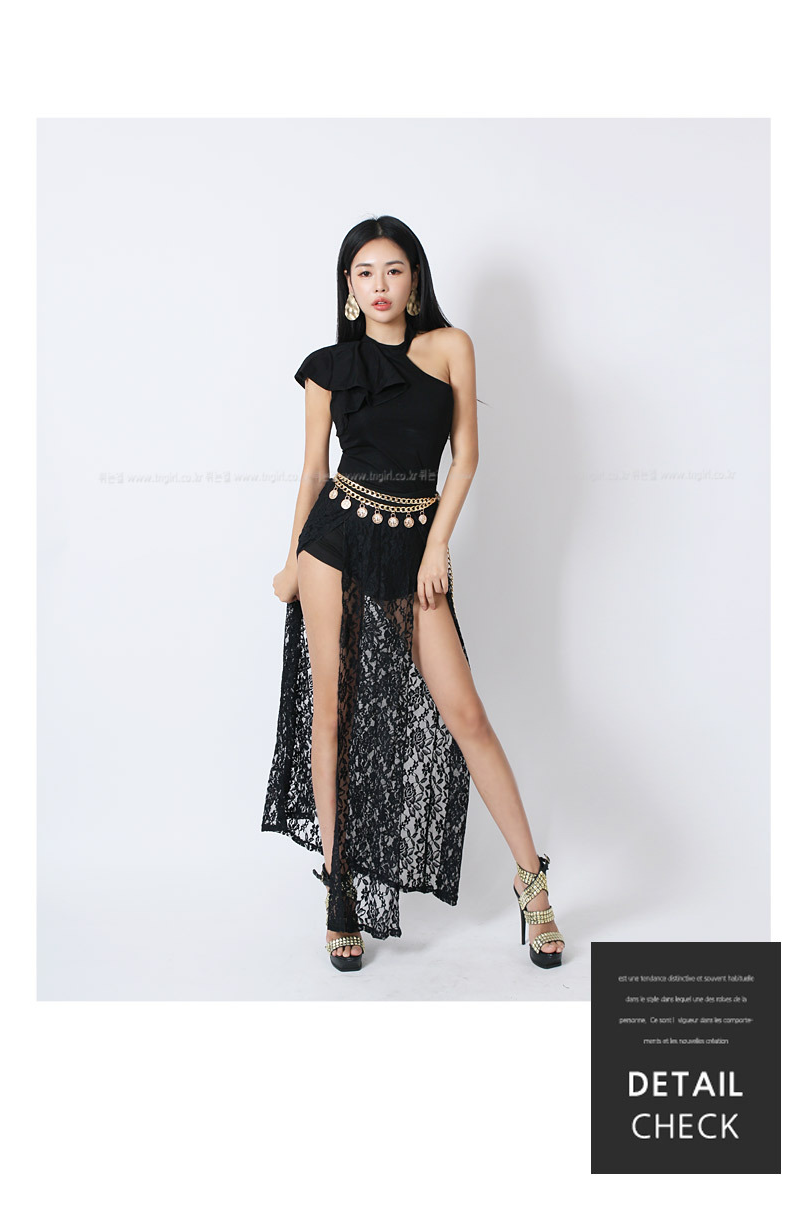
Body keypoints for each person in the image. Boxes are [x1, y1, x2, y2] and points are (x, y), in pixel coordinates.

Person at [262, 215, 565, 973]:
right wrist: (290, 562)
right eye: (364, 273)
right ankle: (339, 893)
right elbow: (312, 472)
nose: (380, 285)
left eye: (393, 270)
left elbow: (466, 458)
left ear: (415, 280)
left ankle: (533, 886)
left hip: (413, 548)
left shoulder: (450, 347)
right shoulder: (326, 368)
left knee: (467, 715)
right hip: (335, 542)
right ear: (348, 287)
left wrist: (437, 546)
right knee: (331, 715)